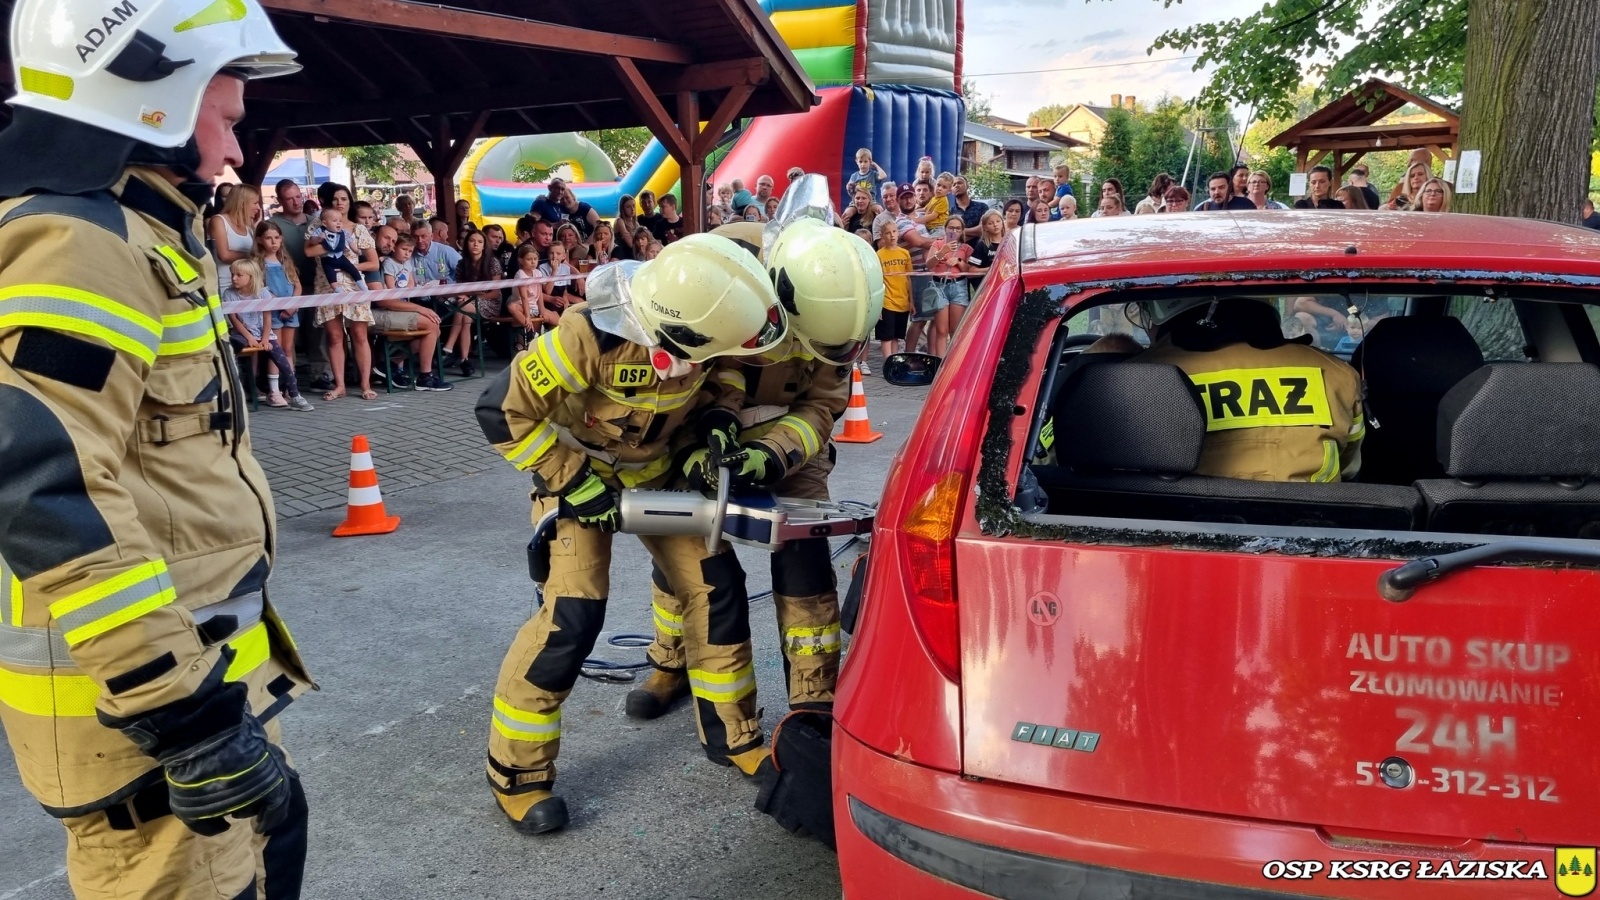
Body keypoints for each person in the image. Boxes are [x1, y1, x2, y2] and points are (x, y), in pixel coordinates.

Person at [0, 0, 313, 893]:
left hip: (195, 685)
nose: (235, 155)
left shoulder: (133, 230)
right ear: (151, 97)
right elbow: (38, 485)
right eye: (227, 122)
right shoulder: (76, 244)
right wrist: (181, 712)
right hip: (145, 724)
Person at [474, 235, 789, 834]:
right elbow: (502, 410)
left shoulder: (711, 324)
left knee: (716, 588)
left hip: (659, 474)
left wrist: (715, 428)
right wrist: (571, 483)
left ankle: (733, 731)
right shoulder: (588, 335)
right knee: (572, 617)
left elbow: (725, 383)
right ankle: (517, 775)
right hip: (576, 482)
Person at [631, 219, 881, 724]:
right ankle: (672, 662)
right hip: (703, 433)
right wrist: (693, 449)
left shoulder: (839, 300)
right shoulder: (716, 270)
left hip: (788, 448)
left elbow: (823, 407)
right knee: (684, 551)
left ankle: (812, 693)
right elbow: (677, 382)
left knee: (804, 557)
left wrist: (773, 453)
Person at [1138, 298, 1364, 482]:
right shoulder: (1337, 372)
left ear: (1159, 316)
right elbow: (1348, 466)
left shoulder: (1136, 376)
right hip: (1314, 523)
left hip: (1175, 521)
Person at [308, 182, 378, 401]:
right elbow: (309, 251)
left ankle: (365, 384)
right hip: (327, 285)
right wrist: (334, 244)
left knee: (359, 334)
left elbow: (373, 263)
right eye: (336, 199)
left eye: (344, 199)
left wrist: (349, 265)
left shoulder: (358, 229)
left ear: (350, 201)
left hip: (354, 285)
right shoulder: (318, 226)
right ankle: (340, 385)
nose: (340, 203)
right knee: (335, 336)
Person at [223, 259, 314, 410]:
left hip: (263, 333)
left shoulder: (263, 292)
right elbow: (234, 319)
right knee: (236, 344)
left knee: (283, 362)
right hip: (242, 334)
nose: (234, 278)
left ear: (251, 277)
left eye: (239, 275)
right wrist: (249, 337)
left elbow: (267, 317)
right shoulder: (229, 293)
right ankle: (239, 392)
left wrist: (265, 338)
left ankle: (295, 396)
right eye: (232, 274)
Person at [255, 221, 303, 371]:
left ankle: (291, 387)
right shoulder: (259, 263)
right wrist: (281, 305)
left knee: (288, 349)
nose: (274, 241)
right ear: (259, 240)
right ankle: (275, 388)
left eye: (277, 237)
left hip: (291, 311)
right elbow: (260, 288)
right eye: (269, 238)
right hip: (273, 312)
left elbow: (297, 285)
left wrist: (292, 306)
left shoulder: (285, 261)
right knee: (277, 351)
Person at [875, 220, 913, 359]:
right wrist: (878, 304)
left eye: (894, 231)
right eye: (888, 233)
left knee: (897, 335)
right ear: (882, 236)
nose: (892, 235)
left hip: (902, 302)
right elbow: (877, 280)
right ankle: (887, 362)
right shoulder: (879, 255)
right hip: (887, 301)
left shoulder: (905, 253)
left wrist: (911, 301)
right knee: (887, 336)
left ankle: (894, 360)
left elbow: (909, 279)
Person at [209, 183, 262, 271]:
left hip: (248, 281)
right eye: (255, 203)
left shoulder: (248, 226)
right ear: (242, 203)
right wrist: (253, 255)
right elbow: (224, 256)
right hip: (225, 282)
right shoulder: (219, 220)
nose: (258, 207)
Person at [951, 174, 990, 239]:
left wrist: (959, 232)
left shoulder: (982, 207)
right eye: (953, 185)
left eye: (959, 183)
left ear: (967, 186)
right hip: (958, 248)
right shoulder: (950, 212)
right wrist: (974, 232)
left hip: (980, 247)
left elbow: (983, 229)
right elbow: (951, 236)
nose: (956, 185)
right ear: (951, 191)